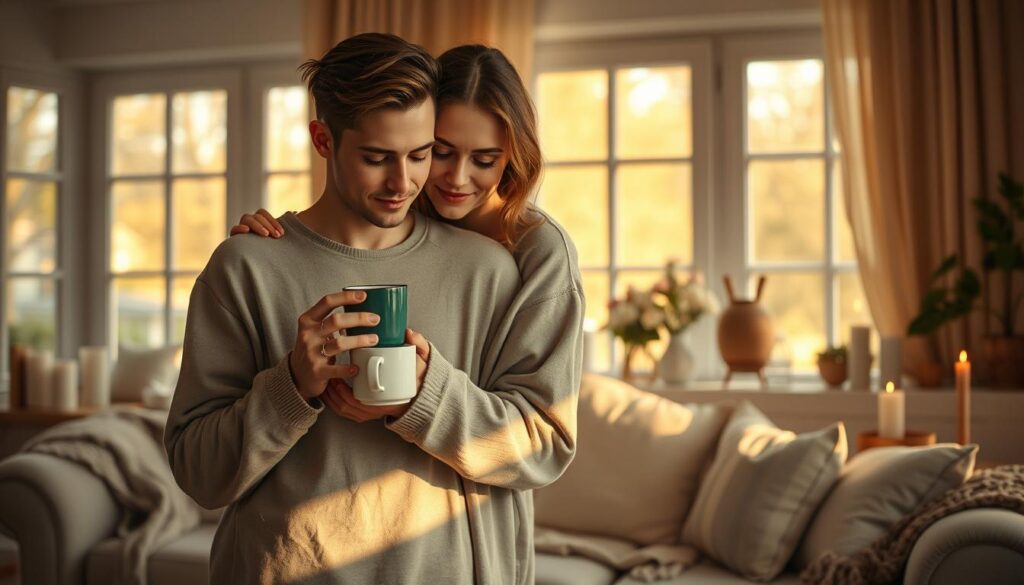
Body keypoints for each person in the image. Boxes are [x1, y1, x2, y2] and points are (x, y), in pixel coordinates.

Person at [165, 34, 576, 585]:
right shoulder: (245, 266)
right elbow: (197, 471)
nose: (406, 182)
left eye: (420, 154)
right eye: (377, 158)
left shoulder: (505, 265)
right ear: (323, 140)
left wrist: (427, 394)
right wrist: (291, 385)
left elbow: (542, 444)